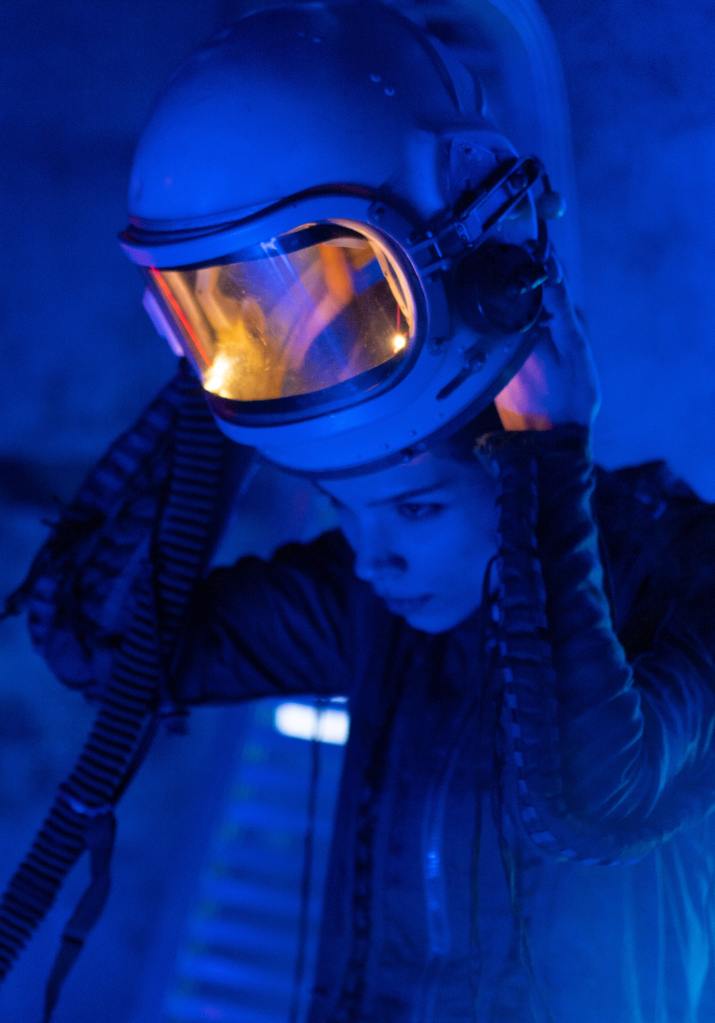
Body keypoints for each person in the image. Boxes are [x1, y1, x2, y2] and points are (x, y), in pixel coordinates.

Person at [13, 2, 715, 1020]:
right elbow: (95, 635)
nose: (373, 557)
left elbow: (586, 800)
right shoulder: (377, 600)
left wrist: (546, 463)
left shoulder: (688, 573)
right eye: (344, 513)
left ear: (512, 466)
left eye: (417, 510)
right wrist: (243, 344)